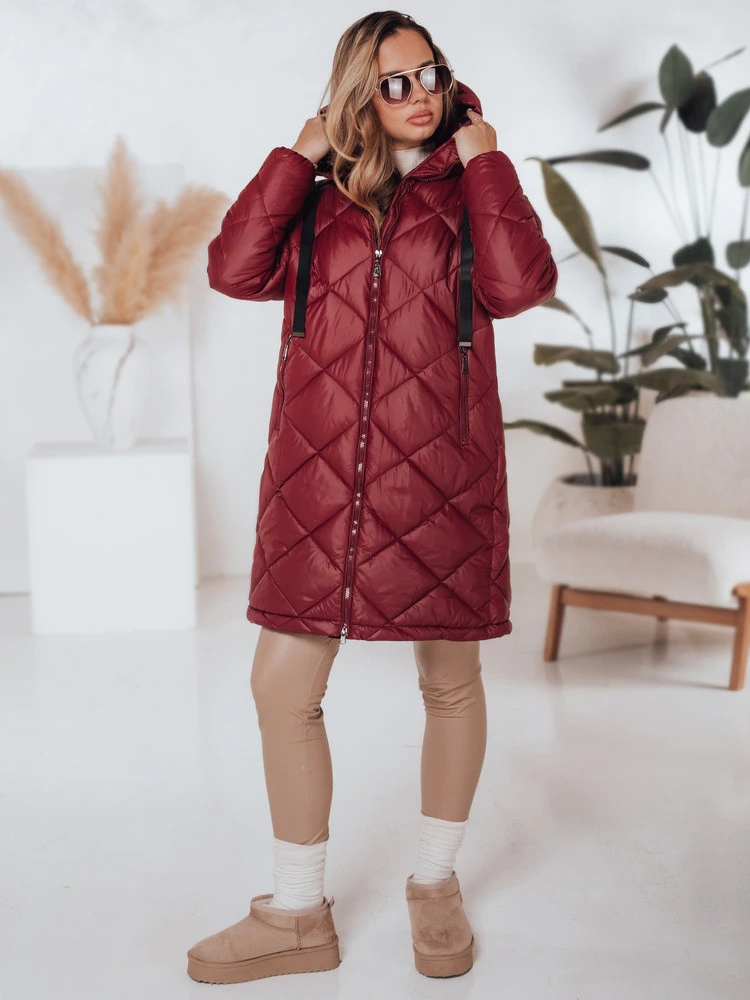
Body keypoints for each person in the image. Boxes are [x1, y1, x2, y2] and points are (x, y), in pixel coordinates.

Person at [187, 9, 557, 986]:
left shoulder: (472, 188)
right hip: (317, 483)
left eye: (430, 73)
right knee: (282, 687)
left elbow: (522, 286)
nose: (419, 94)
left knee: (451, 683)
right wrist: (297, 153)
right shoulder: (319, 204)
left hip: (443, 476)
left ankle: (435, 885)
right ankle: (297, 911)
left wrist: (486, 157)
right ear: (359, 93)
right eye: (394, 82)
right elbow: (232, 268)